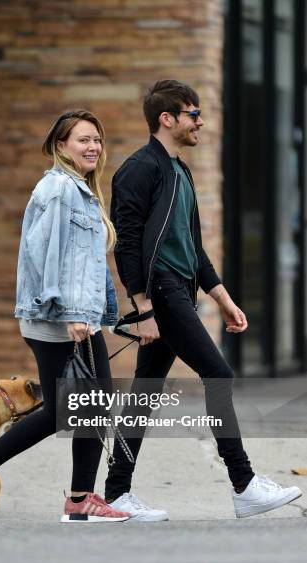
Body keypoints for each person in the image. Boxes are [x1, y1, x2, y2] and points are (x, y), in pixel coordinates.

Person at [104, 79, 302, 520]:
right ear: (167, 119)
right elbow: (127, 243)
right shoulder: (140, 169)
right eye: (193, 114)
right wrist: (144, 309)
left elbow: (192, 248)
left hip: (179, 289)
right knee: (218, 373)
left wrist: (222, 298)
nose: (201, 122)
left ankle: (115, 492)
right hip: (162, 291)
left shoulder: (181, 171)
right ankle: (244, 483)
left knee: (145, 391)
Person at [0, 109, 130, 523]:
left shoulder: (81, 189)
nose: (93, 147)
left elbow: (86, 263)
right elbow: (45, 254)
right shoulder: (59, 190)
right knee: (66, 409)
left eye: (97, 140)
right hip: (60, 319)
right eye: (83, 140)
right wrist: (70, 312)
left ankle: (80, 498)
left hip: (79, 317)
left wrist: (98, 312)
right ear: (60, 146)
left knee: (92, 405)